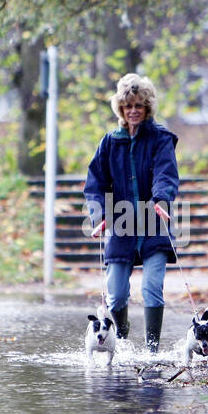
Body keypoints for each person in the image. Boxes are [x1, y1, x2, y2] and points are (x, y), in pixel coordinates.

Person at [83, 73, 180, 353]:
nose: (133, 111)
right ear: (121, 109)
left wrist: (162, 198)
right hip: (120, 225)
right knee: (116, 293)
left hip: (154, 223)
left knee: (151, 287)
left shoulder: (160, 139)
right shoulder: (110, 142)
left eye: (139, 105)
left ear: (147, 108)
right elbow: (95, 183)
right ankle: (121, 344)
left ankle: (151, 349)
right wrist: (99, 215)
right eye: (128, 106)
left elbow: (166, 172)